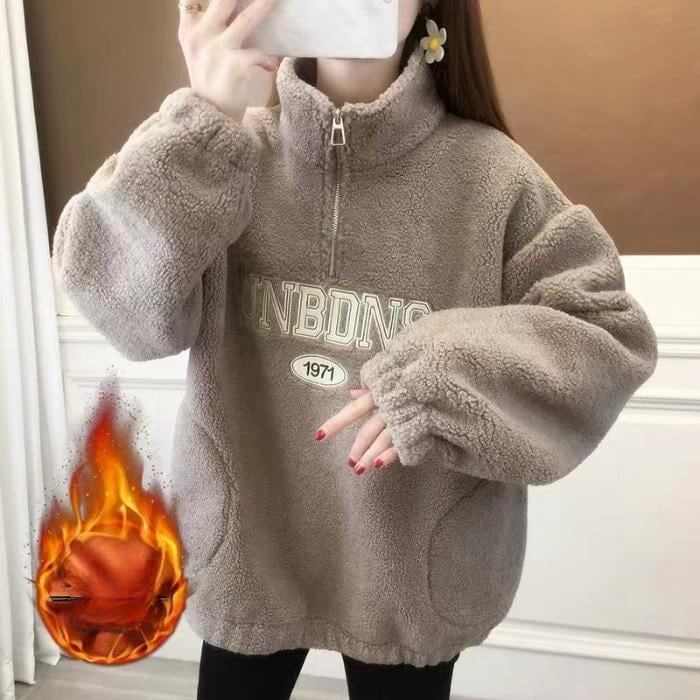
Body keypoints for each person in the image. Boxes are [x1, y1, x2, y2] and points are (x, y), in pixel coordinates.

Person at [50, 0, 659, 697]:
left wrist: (435, 378)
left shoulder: (494, 178)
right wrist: (203, 119)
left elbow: (607, 334)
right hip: (247, 549)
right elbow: (122, 310)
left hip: (414, 576)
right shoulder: (221, 154)